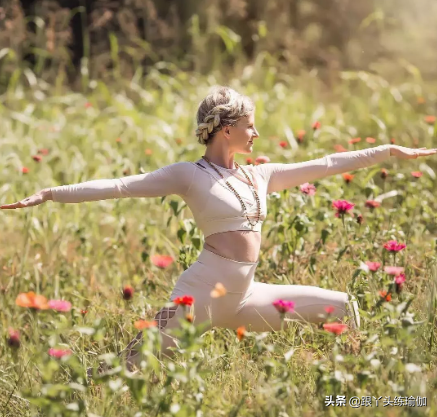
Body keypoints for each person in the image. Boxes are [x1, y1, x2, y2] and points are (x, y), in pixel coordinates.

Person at [2, 86, 436, 371]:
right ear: (227, 129)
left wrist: (390, 150)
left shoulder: (259, 176)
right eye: (250, 125)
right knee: (130, 363)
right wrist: (51, 192)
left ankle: (359, 387)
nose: (257, 132)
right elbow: (120, 186)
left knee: (345, 308)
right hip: (199, 293)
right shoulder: (189, 175)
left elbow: (324, 164)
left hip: (246, 297)